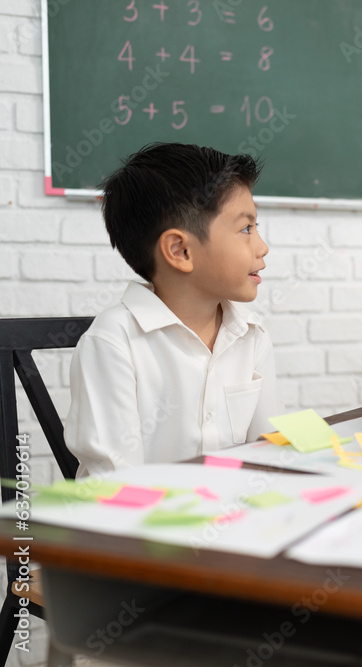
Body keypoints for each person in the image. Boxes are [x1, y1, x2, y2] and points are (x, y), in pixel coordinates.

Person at [66, 143, 282, 478]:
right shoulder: (113, 343)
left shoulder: (251, 335)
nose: (262, 246)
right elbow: (115, 484)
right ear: (180, 250)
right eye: (246, 228)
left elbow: (269, 455)